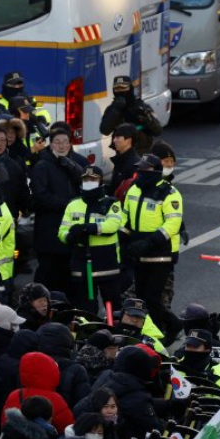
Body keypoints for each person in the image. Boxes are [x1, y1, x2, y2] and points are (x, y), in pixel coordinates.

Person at [121, 154, 183, 338]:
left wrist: (149, 242)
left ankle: (160, 332)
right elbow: (126, 217)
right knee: (141, 297)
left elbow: (172, 225)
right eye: (139, 168)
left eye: (145, 169)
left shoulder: (169, 193)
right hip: (140, 253)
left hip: (161, 254)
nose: (140, 172)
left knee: (152, 297)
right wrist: (123, 240)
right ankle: (154, 330)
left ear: (156, 171)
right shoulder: (134, 190)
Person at [59, 164, 125, 314]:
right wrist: (70, 237)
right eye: (86, 179)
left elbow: (112, 226)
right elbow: (62, 231)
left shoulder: (111, 203)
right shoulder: (73, 204)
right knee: (86, 308)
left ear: (101, 182)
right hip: (82, 265)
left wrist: (87, 228)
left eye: (93, 179)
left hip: (106, 264)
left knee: (112, 308)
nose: (89, 182)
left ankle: (115, 334)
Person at [29, 125, 88, 293]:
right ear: (51, 145)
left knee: (69, 273)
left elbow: (88, 186)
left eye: (65, 142)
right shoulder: (42, 165)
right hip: (49, 227)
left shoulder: (78, 162)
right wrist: (69, 204)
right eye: (57, 142)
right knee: (47, 272)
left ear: (70, 144)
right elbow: (41, 195)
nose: (61, 146)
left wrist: (73, 168)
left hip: (72, 228)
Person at [98, 75, 163, 153]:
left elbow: (158, 131)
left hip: (142, 152)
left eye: (123, 88)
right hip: (122, 154)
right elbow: (104, 130)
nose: (120, 91)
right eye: (117, 89)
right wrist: (116, 110)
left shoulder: (141, 106)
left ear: (130, 88)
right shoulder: (112, 109)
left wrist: (146, 120)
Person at [177, 329, 220, 396]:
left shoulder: (217, 374)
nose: (189, 349)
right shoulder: (176, 366)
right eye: (188, 345)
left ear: (207, 349)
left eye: (195, 346)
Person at [107, 124, 141, 198]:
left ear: (129, 140)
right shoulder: (120, 160)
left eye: (118, 137)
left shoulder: (134, 165)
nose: (114, 140)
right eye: (114, 137)